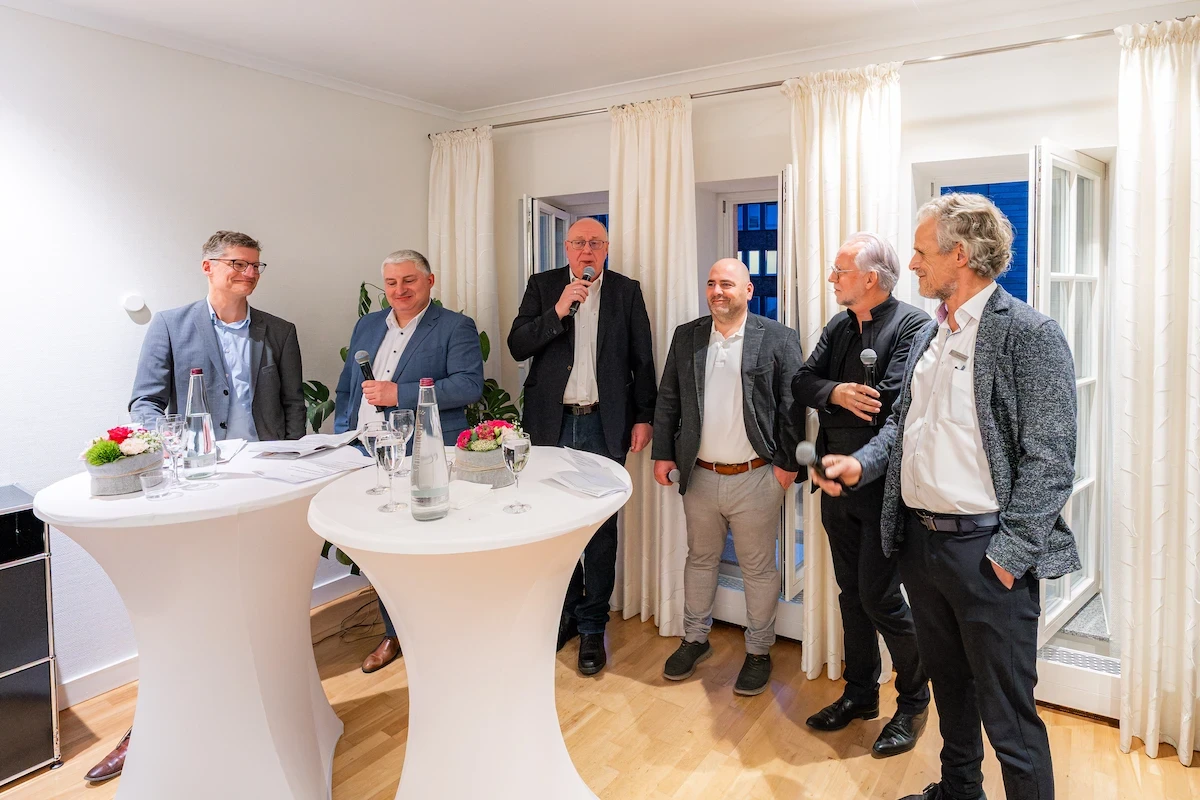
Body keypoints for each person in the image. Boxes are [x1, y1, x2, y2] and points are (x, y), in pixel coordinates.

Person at [812, 194, 1079, 800]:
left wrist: (1009, 557)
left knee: (1009, 719)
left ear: (959, 254)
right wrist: (859, 463)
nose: (911, 264)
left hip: (986, 556)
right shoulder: (931, 333)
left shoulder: (1029, 334)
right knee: (952, 690)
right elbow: (901, 429)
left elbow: (1051, 460)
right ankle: (959, 791)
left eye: (920, 251)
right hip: (921, 546)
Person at [91, 231, 303, 784]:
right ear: (208, 267)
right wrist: (174, 444)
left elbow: (292, 404)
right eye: (238, 264)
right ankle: (153, 727)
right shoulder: (170, 325)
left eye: (256, 266)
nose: (249, 273)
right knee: (193, 597)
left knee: (258, 590)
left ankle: (260, 706)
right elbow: (144, 401)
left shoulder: (279, 331)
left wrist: (292, 460)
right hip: (199, 479)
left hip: (264, 479)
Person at [792, 233, 931, 757]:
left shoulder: (913, 325)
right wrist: (836, 392)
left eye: (840, 271)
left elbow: (890, 404)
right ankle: (861, 693)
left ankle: (914, 701)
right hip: (834, 482)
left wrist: (835, 398)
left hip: (883, 488)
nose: (832, 278)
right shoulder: (840, 325)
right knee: (850, 594)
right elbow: (803, 381)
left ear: (870, 278)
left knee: (879, 598)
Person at [507, 217, 656, 676]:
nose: (586, 250)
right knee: (556, 524)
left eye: (595, 243)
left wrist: (644, 416)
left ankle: (593, 626)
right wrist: (558, 310)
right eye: (578, 243)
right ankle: (567, 613)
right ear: (567, 248)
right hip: (551, 424)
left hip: (603, 425)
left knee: (600, 530)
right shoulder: (543, 286)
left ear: (606, 248)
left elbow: (643, 360)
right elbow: (517, 346)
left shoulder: (626, 291)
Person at [652, 258, 804, 697]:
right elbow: (668, 398)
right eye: (711, 283)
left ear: (748, 290)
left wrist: (786, 467)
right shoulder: (688, 336)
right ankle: (694, 639)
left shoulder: (777, 338)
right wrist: (663, 455)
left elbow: (793, 406)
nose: (717, 291)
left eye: (727, 284)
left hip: (757, 477)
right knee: (699, 559)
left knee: (758, 568)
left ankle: (758, 651)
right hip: (699, 476)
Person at [334, 248, 484, 674]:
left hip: (423, 452)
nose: (399, 290)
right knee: (382, 547)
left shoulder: (454, 326)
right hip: (366, 451)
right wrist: (342, 436)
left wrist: (398, 394)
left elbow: (468, 386)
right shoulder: (367, 325)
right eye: (391, 283)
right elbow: (347, 387)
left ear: (429, 281)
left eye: (409, 281)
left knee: (430, 547)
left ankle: (444, 630)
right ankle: (394, 632)